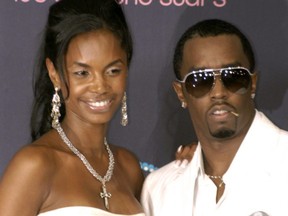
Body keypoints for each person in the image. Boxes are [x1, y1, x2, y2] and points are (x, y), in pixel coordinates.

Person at [0, 0, 145, 215]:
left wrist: (190, 162)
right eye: (82, 73)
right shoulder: (34, 166)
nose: (100, 86)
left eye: (113, 70)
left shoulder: (129, 168)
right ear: (54, 73)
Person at [141, 19, 288, 216]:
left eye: (233, 77)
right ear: (180, 92)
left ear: (252, 83)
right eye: (200, 81)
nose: (218, 92)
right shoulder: (159, 189)